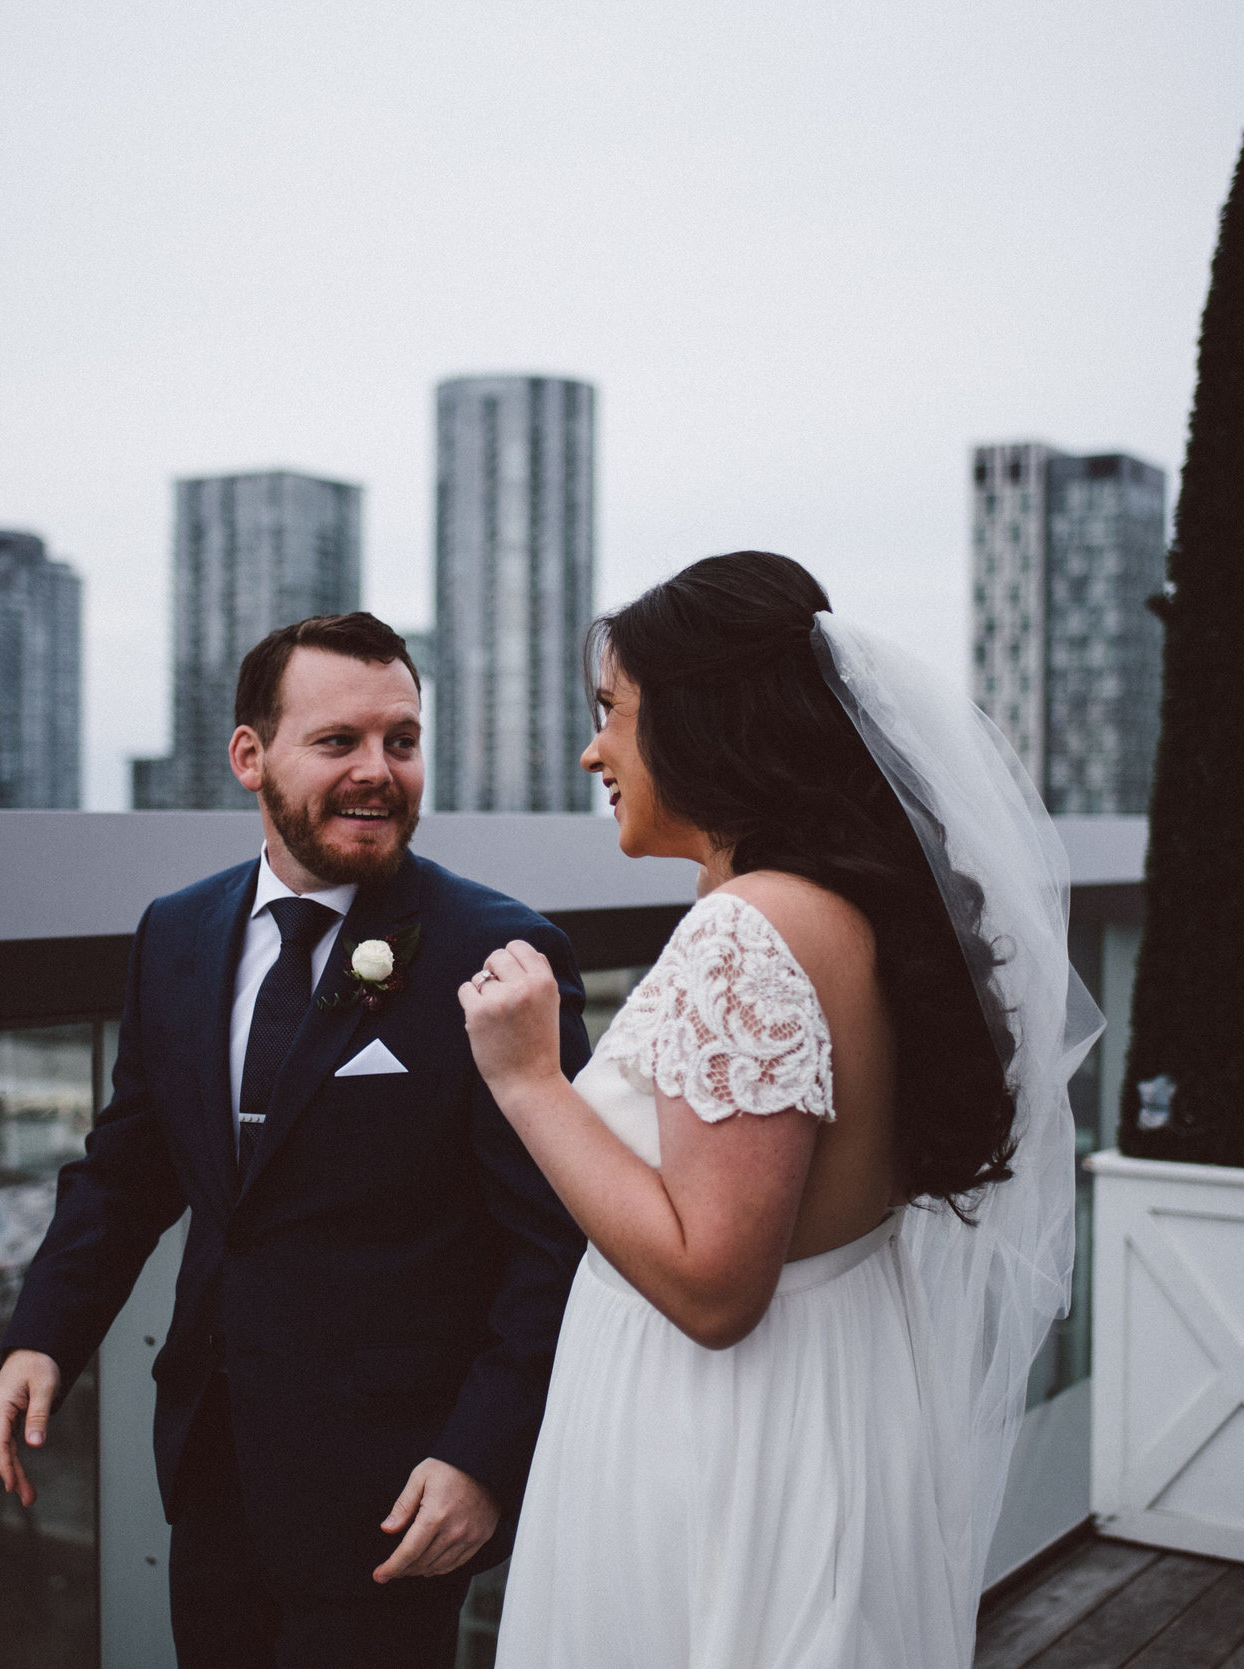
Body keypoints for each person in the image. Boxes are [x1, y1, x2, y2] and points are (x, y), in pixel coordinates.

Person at [461, 552, 1099, 1667]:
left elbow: (715, 1285)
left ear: (705, 724)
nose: (591, 748)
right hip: (833, 1388)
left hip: (724, 1431)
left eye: (611, 713)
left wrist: (527, 1080)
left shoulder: (745, 935)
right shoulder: (850, 908)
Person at [0, 612, 590, 1668]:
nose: (377, 771)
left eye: (400, 741)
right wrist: (43, 1334)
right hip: (210, 1467)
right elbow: (128, 1168)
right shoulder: (174, 932)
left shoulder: (497, 950)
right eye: (338, 742)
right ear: (249, 756)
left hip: (397, 1500)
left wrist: (483, 1458)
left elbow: (553, 1242)